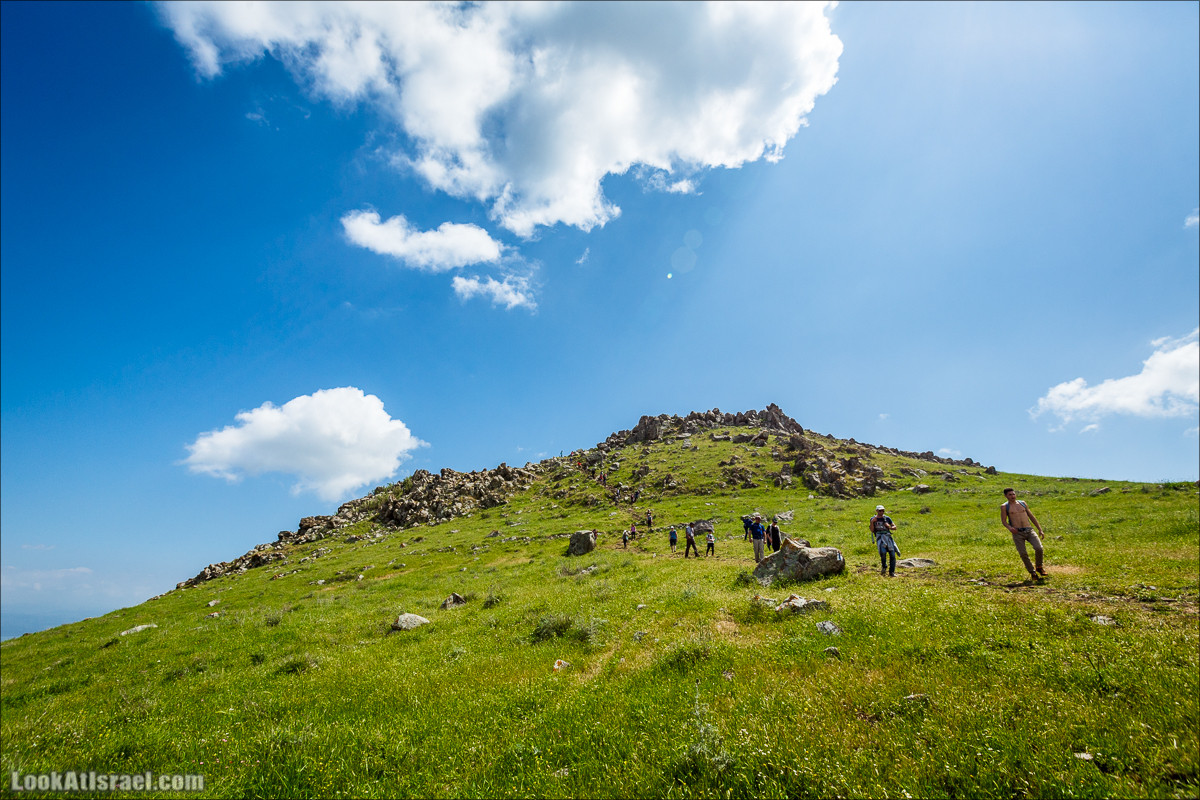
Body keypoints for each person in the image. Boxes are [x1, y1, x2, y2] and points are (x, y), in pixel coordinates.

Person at [1001, 488, 1047, 582]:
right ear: (1006, 496)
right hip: (1017, 533)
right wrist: (1010, 528)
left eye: (1013, 494)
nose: (1012, 496)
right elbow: (1004, 521)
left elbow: (1031, 516)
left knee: (1039, 548)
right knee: (1023, 553)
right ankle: (1032, 572)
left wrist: (1040, 529)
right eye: (1010, 495)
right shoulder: (1005, 506)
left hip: (1029, 530)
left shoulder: (1022, 503)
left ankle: (1039, 567)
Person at [869, 505, 900, 577]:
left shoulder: (887, 518)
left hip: (888, 537)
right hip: (880, 538)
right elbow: (872, 530)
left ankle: (892, 572)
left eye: (883, 510)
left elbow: (894, 527)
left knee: (892, 554)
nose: (881, 512)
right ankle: (884, 567)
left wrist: (889, 527)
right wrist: (872, 522)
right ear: (877, 511)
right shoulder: (873, 519)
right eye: (880, 511)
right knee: (883, 553)